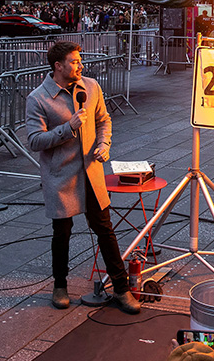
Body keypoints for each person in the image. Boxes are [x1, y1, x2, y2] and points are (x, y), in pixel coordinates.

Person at [26, 41, 142, 314]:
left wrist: (104, 144)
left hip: (91, 171)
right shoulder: (38, 98)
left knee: (105, 228)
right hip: (60, 176)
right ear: (58, 66)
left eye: (80, 60)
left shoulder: (91, 87)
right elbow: (34, 141)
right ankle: (60, 286)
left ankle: (121, 288)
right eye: (74, 61)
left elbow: (104, 120)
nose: (81, 65)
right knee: (62, 232)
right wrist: (67, 128)